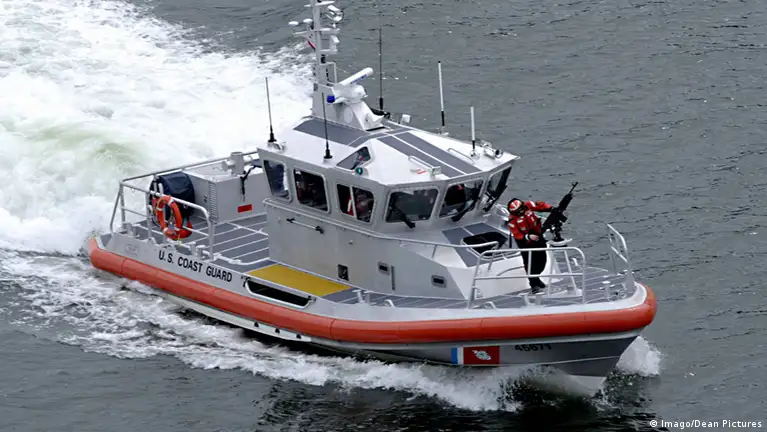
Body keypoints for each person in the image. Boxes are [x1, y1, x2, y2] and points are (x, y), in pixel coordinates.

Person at [507, 198, 554, 294]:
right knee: (529, 263)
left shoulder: (528, 205)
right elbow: (517, 234)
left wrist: (550, 208)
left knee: (542, 260)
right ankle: (534, 283)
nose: (520, 212)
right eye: (517, 212)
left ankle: (536, 278)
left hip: (537, 235)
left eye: (521, 209)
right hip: (524, 241)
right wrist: (528, 237)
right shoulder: (512, 220)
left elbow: (540, 205)